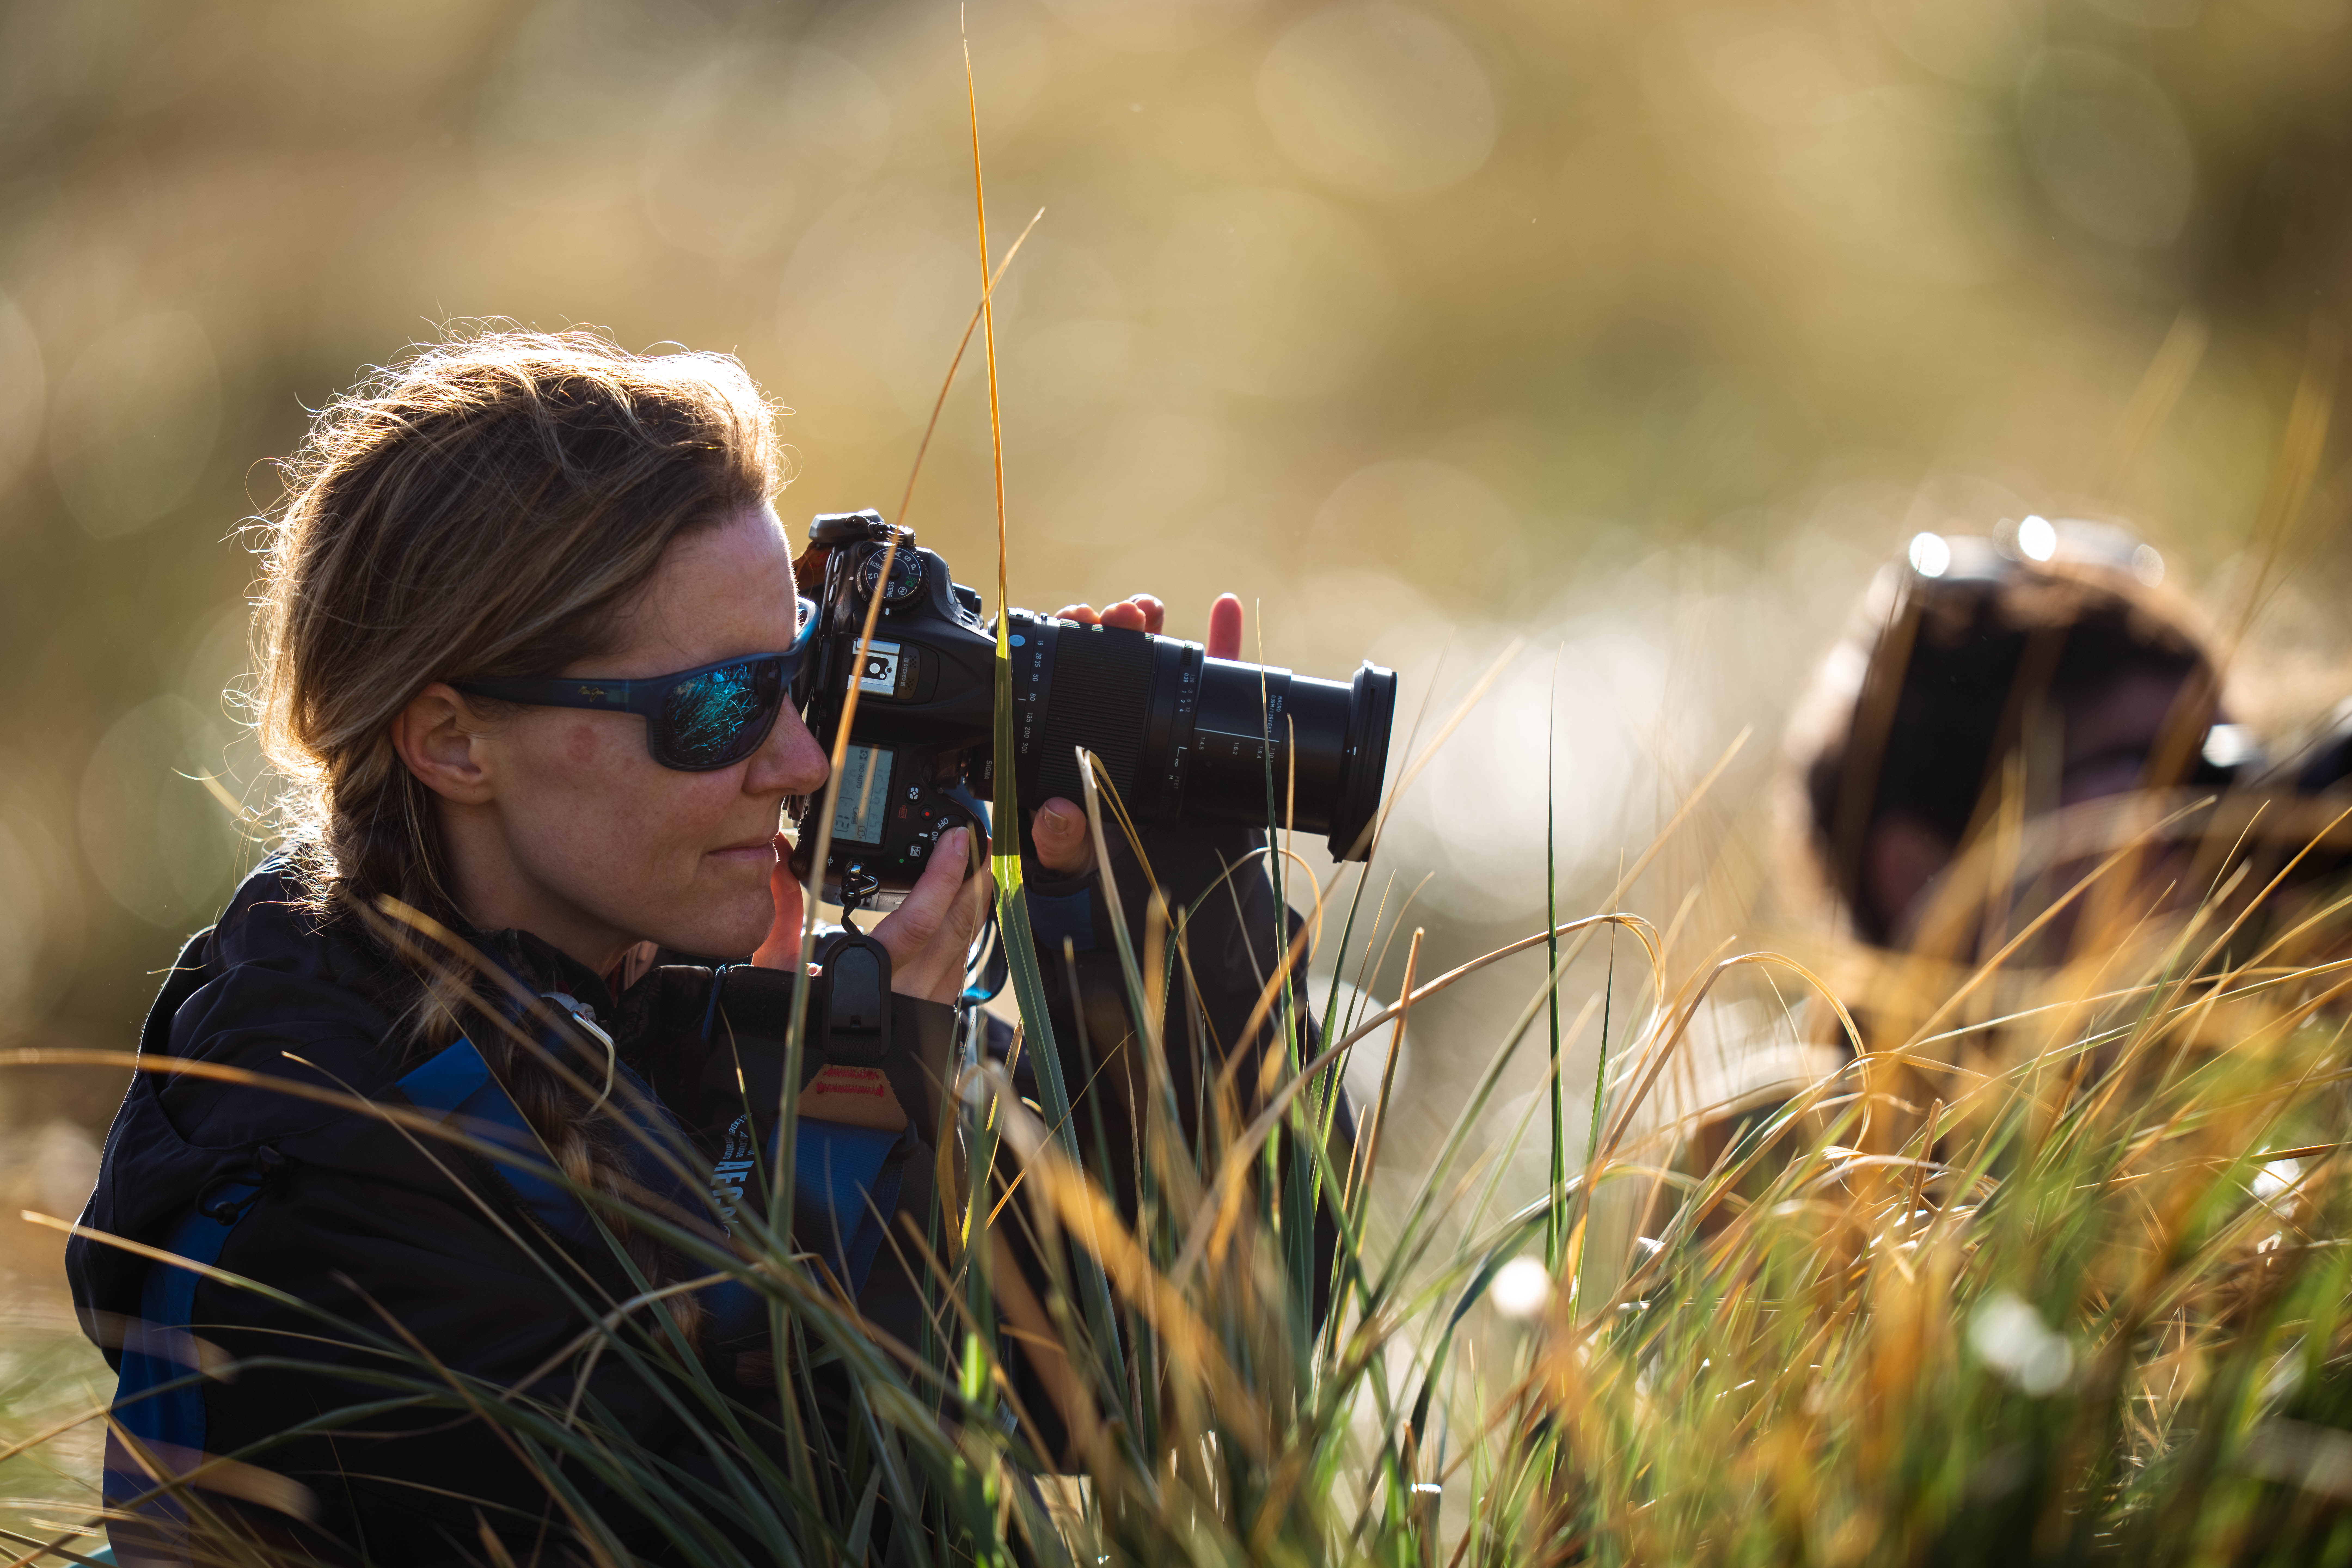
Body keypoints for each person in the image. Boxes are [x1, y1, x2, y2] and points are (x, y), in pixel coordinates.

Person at [66, 330, 1307, 1564]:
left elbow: (1180, 1372)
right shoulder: (323, 1170)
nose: (801, 762)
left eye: (797, 679)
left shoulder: (657, 1003)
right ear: (451, 742)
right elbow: (767, 1527)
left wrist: (1168, 934)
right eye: (715, 708)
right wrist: (856, 1128)